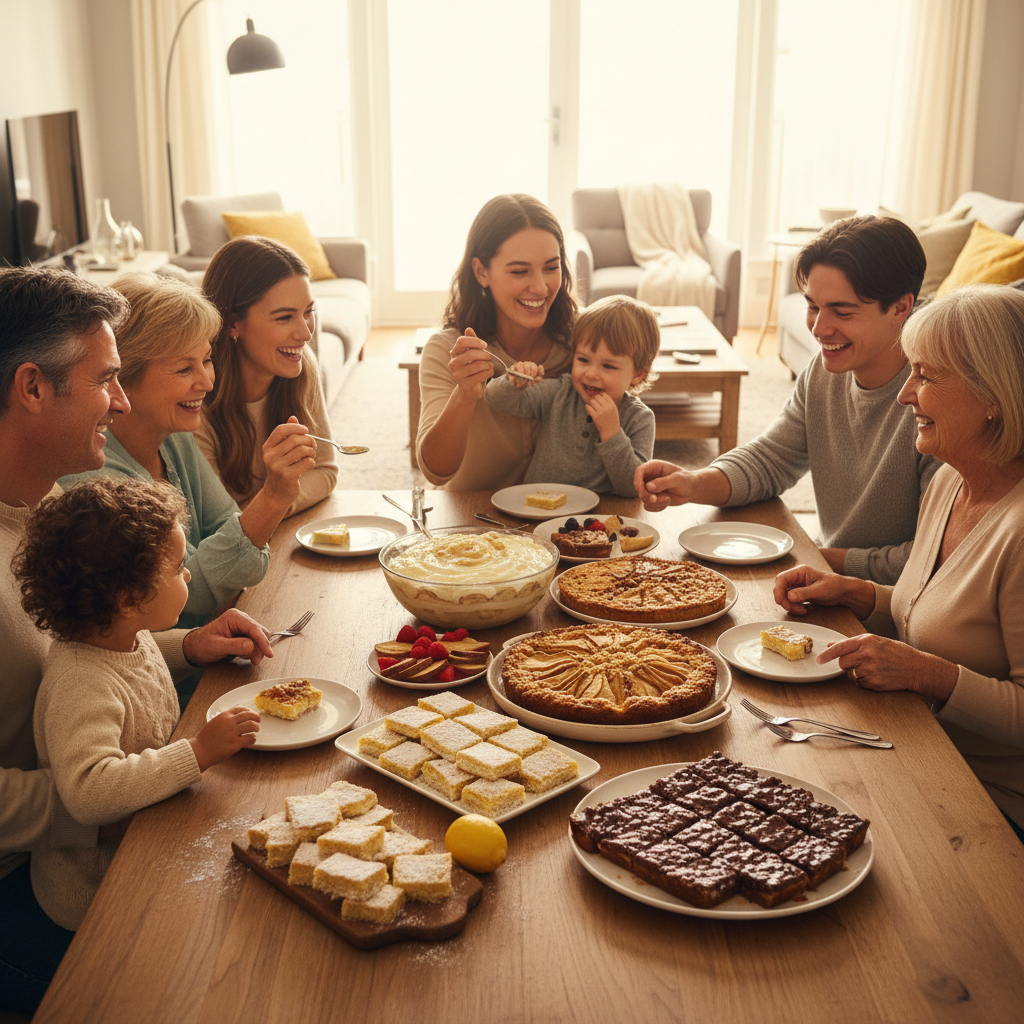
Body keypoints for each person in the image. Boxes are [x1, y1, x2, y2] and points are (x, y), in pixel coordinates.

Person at [0, 266, 273, 1014]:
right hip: (40, 884)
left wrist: (186, 644)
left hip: (113, 822)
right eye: (107, 380)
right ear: (32, 388)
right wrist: (114, 796)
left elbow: (87, 646)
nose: (120, 403)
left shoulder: (45, 501)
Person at [773, 285, 1024, 838]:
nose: (905, 394)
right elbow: (939, 616)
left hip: (994, 803)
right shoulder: (952, 480)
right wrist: (859, 594)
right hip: (918, 742)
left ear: (994, 396)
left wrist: (924, 673)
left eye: (926, 376)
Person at [635, 216, 939, 585]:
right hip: (833, 575)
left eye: (841, 312)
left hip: (899, 604)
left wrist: (818, 558)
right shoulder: (824, 374)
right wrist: (693, 482)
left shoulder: (938, 401)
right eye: (813, 306)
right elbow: (772, 458)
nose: (819, 328)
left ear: (900, 308)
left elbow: (934, 557)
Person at [14, 477, 261, 931]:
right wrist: (198, 752)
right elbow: (90, 792)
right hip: (100, 898)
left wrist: (192, 644)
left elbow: (134, 673)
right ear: (128, 599)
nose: (187, 574)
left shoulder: (125, 636)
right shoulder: (80, 684)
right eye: (177, 568)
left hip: (145, 842)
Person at [59, 272, 303, 630]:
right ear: (122, 376)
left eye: (206, 360)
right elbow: (196, 591)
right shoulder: (96, 477)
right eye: (184, 368)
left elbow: (228, 527)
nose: (206, 382)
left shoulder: (173, 433)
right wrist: (274, 496)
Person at [417, 194, 579, 491]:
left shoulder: (581, 345)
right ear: (481, 272)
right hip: (474, 524)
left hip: (566, 523)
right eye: (520, 271)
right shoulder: (446, 351)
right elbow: (435, 473)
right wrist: (465, 395)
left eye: (551, 267)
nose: (541, 287)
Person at [197, 236, 338, 514]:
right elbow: (219, 520)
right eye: (284, 317)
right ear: (232, 323)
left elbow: (325, 472)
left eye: (308, 312)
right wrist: (273, 499)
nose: (306, 333)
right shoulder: (196, 393)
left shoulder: (301, 366)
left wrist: (273, 504)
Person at [484, 295, 658, 496]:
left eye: (608, 366)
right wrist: (514, 382)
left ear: (637, 374)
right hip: (537, 508)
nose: (591, 374)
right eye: (583, 360)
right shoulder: (561, 392)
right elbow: (496, 400)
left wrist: (612, 433)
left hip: (598, 519)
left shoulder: (640, 419)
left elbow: (633, 488)